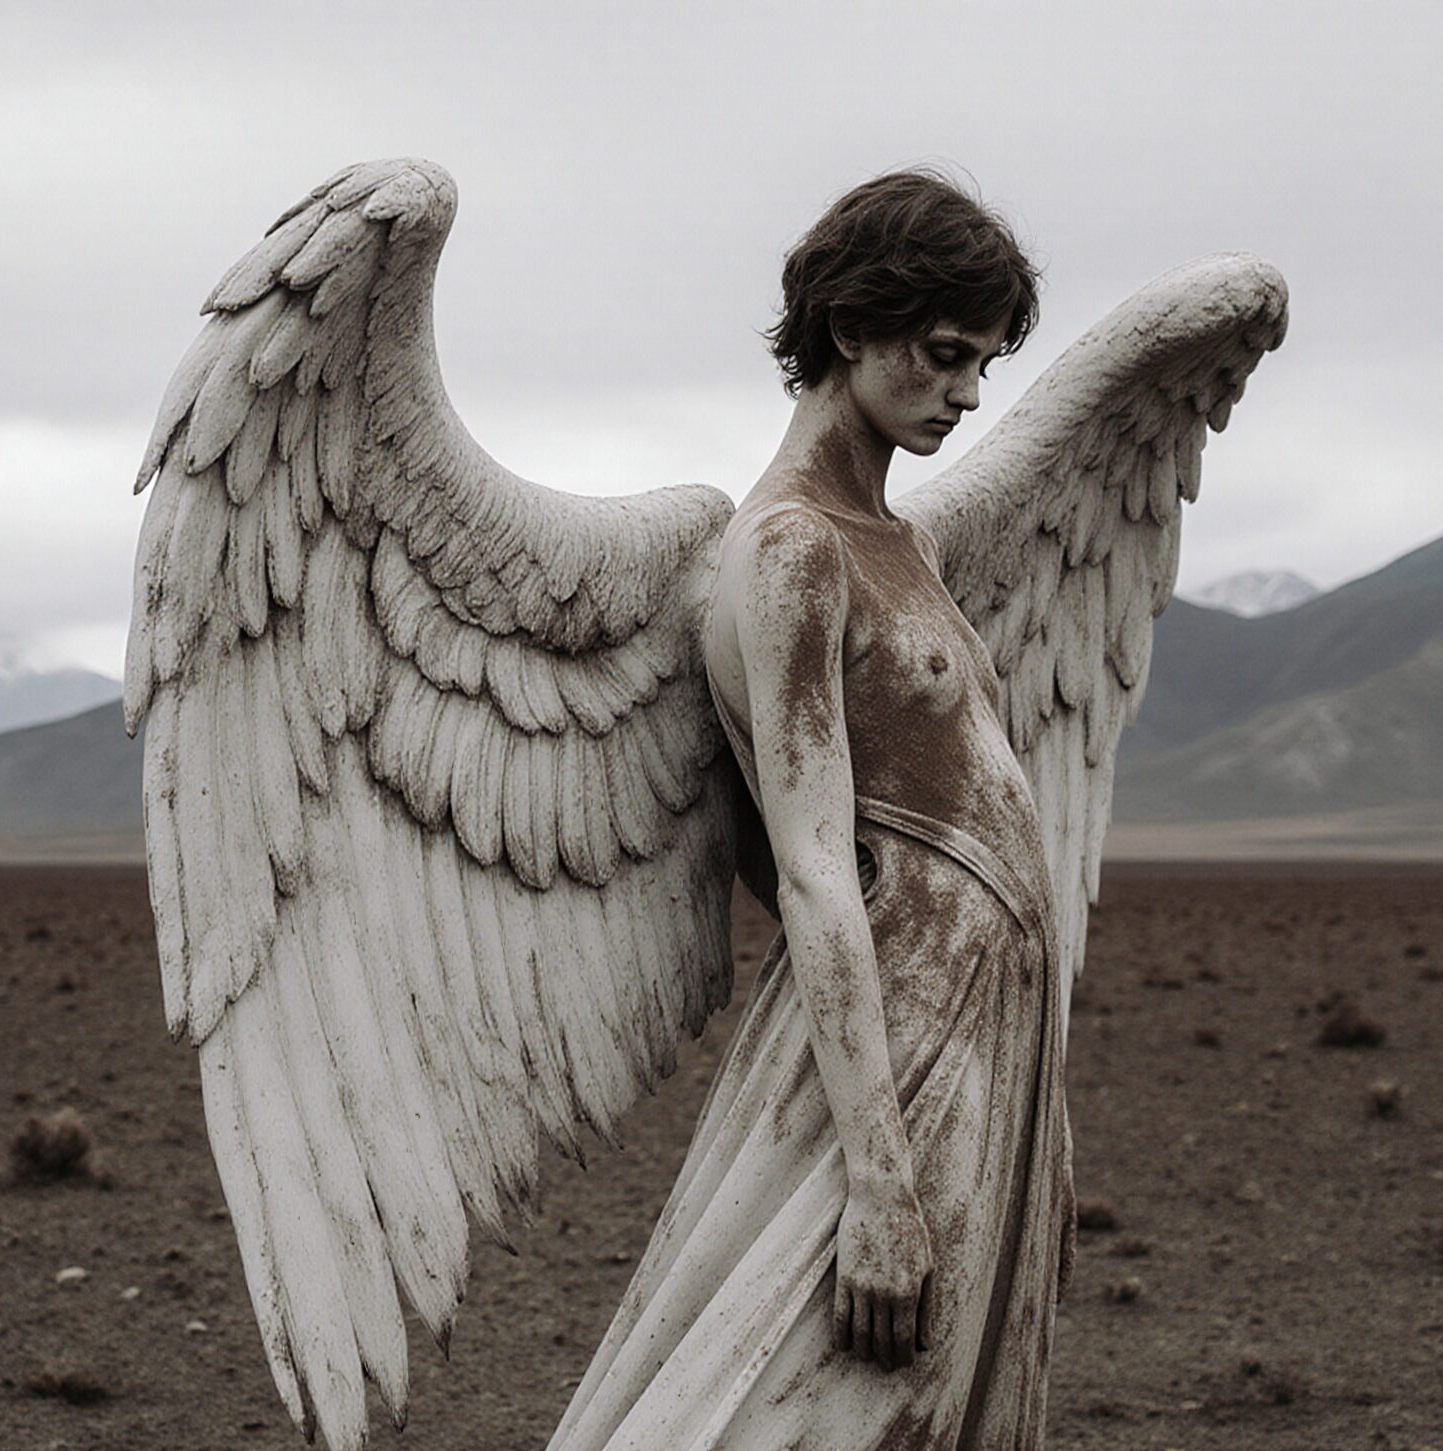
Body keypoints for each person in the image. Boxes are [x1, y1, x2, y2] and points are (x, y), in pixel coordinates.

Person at [548, 170, 1077, 1450]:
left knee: (942, 1395)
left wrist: (1041, 1112)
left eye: (983, 367)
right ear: (852, 329)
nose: (964, 393)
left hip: (981, 1020)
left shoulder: (897, 539)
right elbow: (812, 870)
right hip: (897, 1029)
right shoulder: (791, 549)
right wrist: (881, 1182)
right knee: (829, 1403)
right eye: (945, 354)